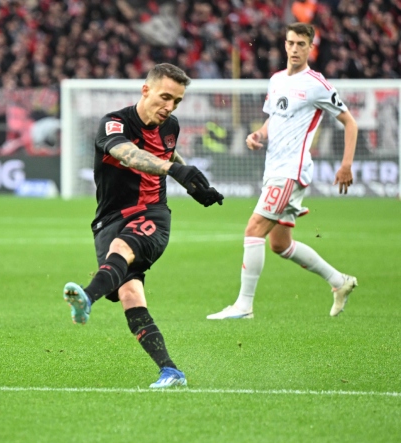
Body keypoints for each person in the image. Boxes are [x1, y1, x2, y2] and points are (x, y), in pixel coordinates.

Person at [62, 64, 224, 389]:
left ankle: (87, 299)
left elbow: (168, 151)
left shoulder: (171, 126)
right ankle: (171, 371)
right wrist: (176, 170)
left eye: (176, 101)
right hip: (110, 219)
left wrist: (195, 185)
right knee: (131, 295)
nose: (169, 108)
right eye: (165, 97)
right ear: (145, 90)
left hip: (152, 215)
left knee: (122, 250)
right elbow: (131, 155)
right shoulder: (114, 123)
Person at [207, 23, 358, 321]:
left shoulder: (317, 84)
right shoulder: (276, 80)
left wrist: (346, 165)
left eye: (301, 44)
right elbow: (271, 122)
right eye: (290, 43)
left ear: (310, 47)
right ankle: (340, 282)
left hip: (290, 171)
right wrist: (258, 136)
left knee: (253, 229)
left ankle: (244, 306)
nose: (294, 49)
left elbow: (350, 122)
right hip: (274, 168)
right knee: (280, 244)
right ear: (284, 45)